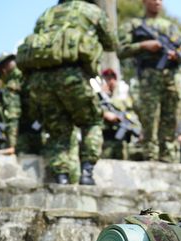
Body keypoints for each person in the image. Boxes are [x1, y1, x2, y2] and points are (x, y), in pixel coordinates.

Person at [24, 0, 116, 184]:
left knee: (58, 130)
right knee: (92, 120)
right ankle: (87, 174)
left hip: (40, 79)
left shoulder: (48, 13)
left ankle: (62, 178)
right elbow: (111, 43)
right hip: (72, 75)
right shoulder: (92, 11)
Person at [118, 0, 181, 163]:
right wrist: (143, 45)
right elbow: (120, 49)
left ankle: (168, 157)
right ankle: (150, 156)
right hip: (148, 78)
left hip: (170, 78)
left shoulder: (170, 27)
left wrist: (175, 55)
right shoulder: (135, 25)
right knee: (150, 119)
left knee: (171, 117)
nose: (157, 2)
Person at [99, 68, 139, 160]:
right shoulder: (99, 98)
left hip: (122, 141)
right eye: (107, 78)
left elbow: (132, 115)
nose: (110, 81)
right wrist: (105, 114)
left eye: (112, 78)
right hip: (106, 139)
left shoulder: (123, 98)